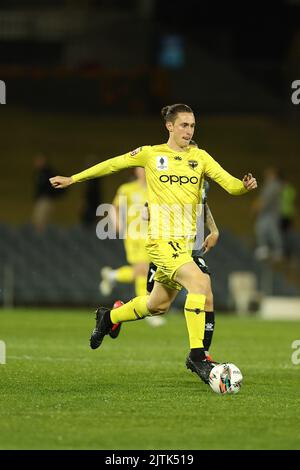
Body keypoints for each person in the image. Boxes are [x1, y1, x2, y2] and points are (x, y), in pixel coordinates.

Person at [50, 103, 257, 385]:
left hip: (184, 245)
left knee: (157, 304)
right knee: (200, 284)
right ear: (169, 126)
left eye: (193, 125)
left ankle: (108, 316)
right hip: (161, 241)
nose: (189, 130)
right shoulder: (151, 154)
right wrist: (74, 178)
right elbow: (113, 164)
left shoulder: (201, 158)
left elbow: (231, 186)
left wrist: (244, 185)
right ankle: (198, 357)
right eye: (184, 125)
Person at [100, 167, 165, 327]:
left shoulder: (157, 187)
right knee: (143, 269)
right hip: (134, 235)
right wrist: (117, 223)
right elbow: (114, 208)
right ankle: (148, 309)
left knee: (146, 271)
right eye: (141, 168)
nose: (144, 171)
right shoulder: (126, 189)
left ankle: (113, 276)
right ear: (136, 171)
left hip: (153, 235)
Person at [254, 167, 283, 262]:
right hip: (268, 213)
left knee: (272, 231)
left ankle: (276, 251)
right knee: (264, 229)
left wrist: (257, 208)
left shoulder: (274, 185)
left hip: (271, 213)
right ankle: (266, 249)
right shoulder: (269, 185)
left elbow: (265, 200)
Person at [32, 153, 64, 233]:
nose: (37, 163)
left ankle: (41, 238)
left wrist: (52, 195)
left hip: (46, 200)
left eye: (39, 160)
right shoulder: (38, 173)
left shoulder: (49, 173)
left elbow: (59, 185)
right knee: (37, 220)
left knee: (40, 220)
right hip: (41, 199)